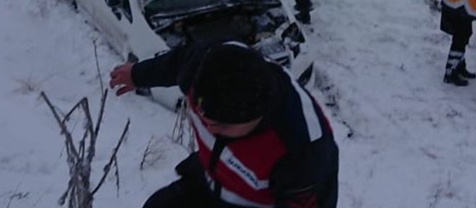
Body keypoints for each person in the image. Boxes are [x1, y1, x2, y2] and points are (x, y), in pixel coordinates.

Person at [109, 41, 339, 208]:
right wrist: (137, 75)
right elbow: (177, 62)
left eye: (222, 126)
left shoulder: (303, 150)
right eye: (203, 118)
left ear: (258, 116)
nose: (209, 130)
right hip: (210, 180)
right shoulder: (206, 65)